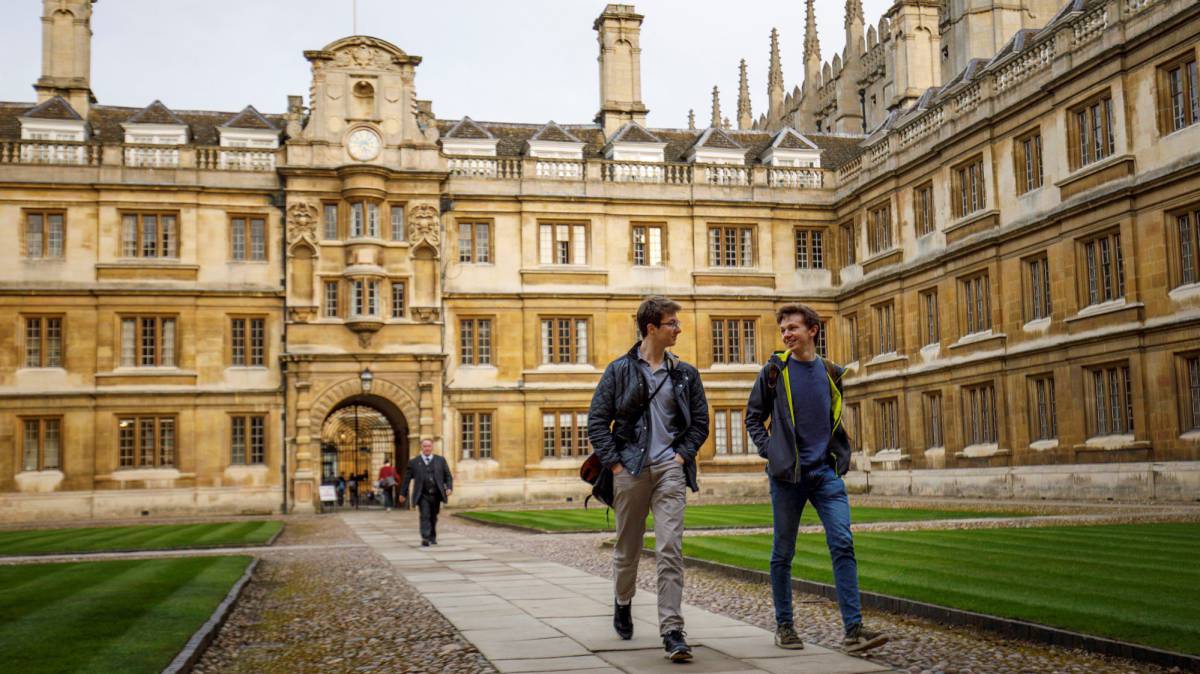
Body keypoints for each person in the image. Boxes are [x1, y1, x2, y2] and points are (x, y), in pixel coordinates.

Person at [744, 304, 888, 654]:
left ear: (813, 330)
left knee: (843, 543)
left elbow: (833, 418)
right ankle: (785, 626)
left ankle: (853, 630)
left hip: (825, 474)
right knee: (783, 553)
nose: (786, 334)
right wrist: (773, 451)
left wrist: (840, 455)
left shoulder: (830, 372)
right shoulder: (774, 371)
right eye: (783, 330)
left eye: (793, 328)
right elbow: (753, 417)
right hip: (787, 477)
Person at [587, 295, 709, 662]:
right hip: (630, 471)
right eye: (672, 323)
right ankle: (623, 601)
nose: (678, 329)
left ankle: (672, 630)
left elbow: (700, 422)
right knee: (627, 551)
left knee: (670, 548)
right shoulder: (618, 370)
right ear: (651, 328)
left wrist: (682, 454)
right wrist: (615, 465)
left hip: (670, 469)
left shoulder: (684, 373)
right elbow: (597, 421)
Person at [400, 439, 453, 546]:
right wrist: (403, 493)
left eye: (429, 446)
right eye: (425, 446)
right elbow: (407, 479)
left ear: (432, 447)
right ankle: (425, 537)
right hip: (422, 494)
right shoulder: (414, 462)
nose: (427, 448)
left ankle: (432, 536)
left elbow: (448, 475)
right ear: (421, 447)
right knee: (425, 515)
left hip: (436, 494)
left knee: (433, 517)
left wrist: (449, 487)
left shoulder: (440, 460)